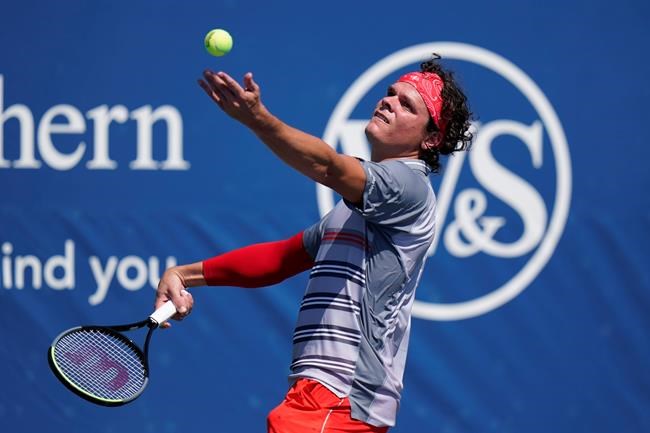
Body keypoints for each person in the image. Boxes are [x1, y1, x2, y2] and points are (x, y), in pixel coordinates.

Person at [154, 55, 473, 432]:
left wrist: (258, 119)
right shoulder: (354, 209)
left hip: (340, 399)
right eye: (391, 93)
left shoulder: (408, 186)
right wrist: (185, 274)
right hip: (320, 399)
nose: (389, 102)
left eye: (407, 104)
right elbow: (281, 258)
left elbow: (328, 166)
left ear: (431, 139)